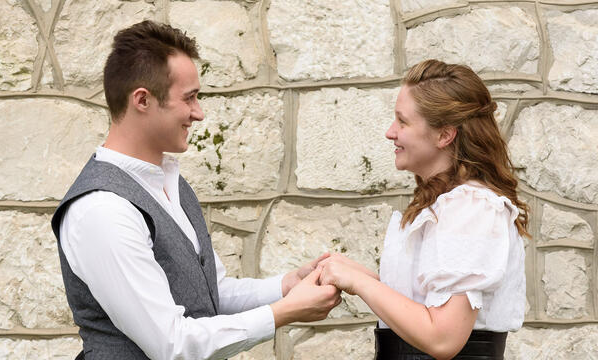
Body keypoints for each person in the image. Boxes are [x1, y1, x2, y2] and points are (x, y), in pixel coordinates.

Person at [51, 20, 341, 360]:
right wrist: (284, 312)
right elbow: (172, 345)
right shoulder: (102, 210)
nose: (198, 113)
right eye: (189, 98)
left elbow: (211, 294)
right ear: (142, 100)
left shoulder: (169, 182)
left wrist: (286, 285)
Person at [318, 59, 529, 360]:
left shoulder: (470, 208)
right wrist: (362, 277)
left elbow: (442, 338)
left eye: (402, 122)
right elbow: (425, 307)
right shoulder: (450, 204)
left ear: (444, 135)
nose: (391, 132)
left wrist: (360, 283)